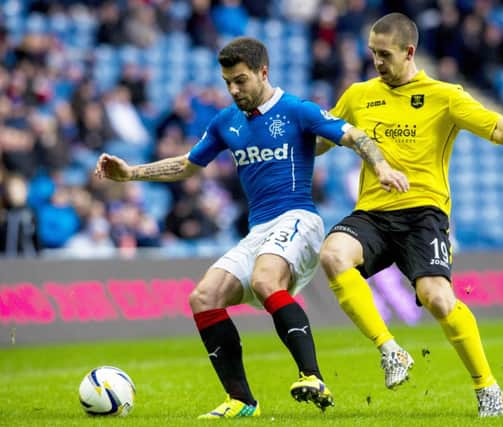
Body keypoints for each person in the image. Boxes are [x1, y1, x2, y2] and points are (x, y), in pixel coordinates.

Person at [95, 37, 408, 419]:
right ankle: (242, 401)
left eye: (241, 80)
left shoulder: (296, 110)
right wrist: (130, 174)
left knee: (264, 279)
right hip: (259, 230)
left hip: (299, 219)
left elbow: (353, 135)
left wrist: (382, 167)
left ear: (263, 72)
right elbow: (189, 165)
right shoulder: (226, 122)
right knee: (203, 298)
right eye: (227, 81)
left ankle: (312, 376)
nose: (233, 89)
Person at [317, 13, 503, 418]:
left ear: (409, 51)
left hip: (424, 215)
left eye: (385, 54)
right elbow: (328, 138)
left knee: (437, 300)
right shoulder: (358, 94)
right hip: (371, 212)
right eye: (372, 53)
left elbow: (497, 129)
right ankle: (390, 351)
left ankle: (486, 386)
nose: (377, 62)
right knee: (333, 254)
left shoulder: (445, 95)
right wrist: (297, 143)